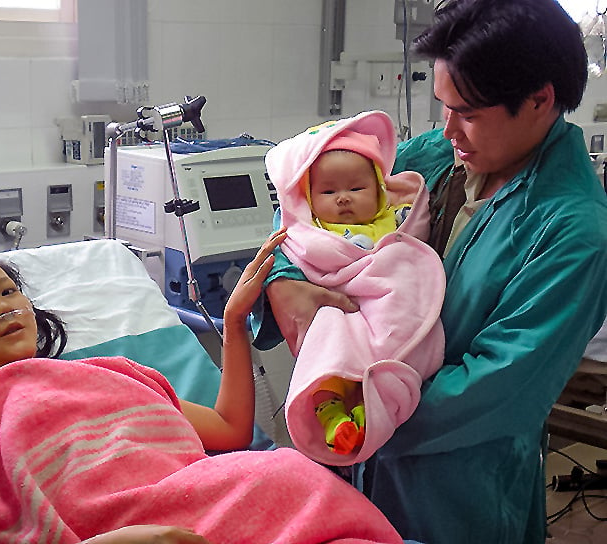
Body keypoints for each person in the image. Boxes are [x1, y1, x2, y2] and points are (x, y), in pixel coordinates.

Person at [253, 0, 607, 542]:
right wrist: (283, 281)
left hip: (454, 486)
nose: (449, 130)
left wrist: (365, 419)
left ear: (540, 99)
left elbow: (498, 390)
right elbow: (312, 203)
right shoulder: (440, 159)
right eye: (443, 105)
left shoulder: (572, 232)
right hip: (356, 455)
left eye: (467, 113)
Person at [0, 235, 404, 544]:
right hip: (132, 533)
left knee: (298, 485)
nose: (4, 305)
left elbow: (232, 432)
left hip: (227, 502)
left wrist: (234, 322)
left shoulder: (111, 370)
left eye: (7, 290)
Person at [264, 111, 444, 467]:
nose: (343, 198)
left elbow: (411, 235)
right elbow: (289, 229)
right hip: (340, 304)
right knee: (331, 337)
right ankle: (333, 412)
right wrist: (281, 278)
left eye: (357, 189)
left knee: (403, 339)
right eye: (329, 192)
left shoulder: (395, 217)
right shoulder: (313, 230)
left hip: (387, 295)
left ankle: (369, 404)